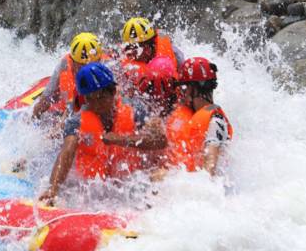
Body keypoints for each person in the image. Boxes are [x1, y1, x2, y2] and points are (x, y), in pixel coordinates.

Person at [39, 62, 166, 205]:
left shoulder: (134, 109)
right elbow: (66, 152)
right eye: (89, 98)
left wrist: (122, 140)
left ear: (112, 92)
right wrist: (53, 189)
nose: (95, 104)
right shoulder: (77, 120)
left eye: (99, 97)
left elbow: (160, 141)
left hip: (130, 185)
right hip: (93, 191)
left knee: (158, 176)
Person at [151, 57, 233, 179]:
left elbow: (209, 170)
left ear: (192, 88)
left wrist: (170, 179)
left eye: (183, 88)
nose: (181, 94)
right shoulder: (187, 114)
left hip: (197, 193)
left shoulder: (216, 120)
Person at [32, 32, 103, 120]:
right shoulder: (65, 63)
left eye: (90, 66)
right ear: (72, 61)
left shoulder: (106, 73)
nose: (86, 71)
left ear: (99, 61)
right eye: (81, 67)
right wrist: (33, 119)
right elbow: (45, 99)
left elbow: (72, 117)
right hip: (68, 109)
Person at [119, 17, 184, 97]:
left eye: (138, 48)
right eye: (131, 49)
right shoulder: (124, 66)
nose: (134, 54)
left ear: (151, 43)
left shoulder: (173, 52)